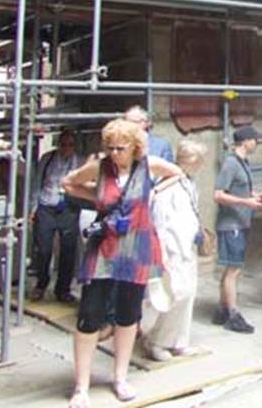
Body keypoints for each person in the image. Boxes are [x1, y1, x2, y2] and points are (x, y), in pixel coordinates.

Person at [62, 119, 181, 408]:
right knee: (90, 315)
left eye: (121, 148)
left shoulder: (149, 165)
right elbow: (69, 183)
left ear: (134, 147)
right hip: (105, 247)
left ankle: (120, 376)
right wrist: (97, 198)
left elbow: (176, 173)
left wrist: (153, 193)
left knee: (128, 315)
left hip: (137, 246)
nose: (115, 153)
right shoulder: (100, 167)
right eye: (111, 148)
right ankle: (82, 386)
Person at [140, 139, 205, 361]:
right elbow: (159, 221)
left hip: (187, 246)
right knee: (175, 294)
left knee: (189, 294)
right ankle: (157, 340)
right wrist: (162, 253)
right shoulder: (166, 185)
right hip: (172, 248)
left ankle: (179, 340)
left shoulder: (189, 183)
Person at [214, 125, 262, 334]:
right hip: (231, 225)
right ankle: (233, 315)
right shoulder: (230, 163)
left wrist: (255, 195)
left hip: (240, 223)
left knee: (231, 268)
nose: (257, 142)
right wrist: (246, 202)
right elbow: (218, 194)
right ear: (245, 141)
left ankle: (222, 309)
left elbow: (240, 189)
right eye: (255, 139)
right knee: (233, 269)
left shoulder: (242, 163)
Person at [29, 129, 84, 303]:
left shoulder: (80, 163)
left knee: (68, 250)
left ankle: (63, 289)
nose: (67, 148)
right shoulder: (48, 159)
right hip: (47, 206)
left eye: (70, 145)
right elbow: (37, 183)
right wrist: (33, 207)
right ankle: (41, 283)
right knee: (43, 249)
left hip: (68, 208)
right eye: (64, 144)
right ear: (58, 144)